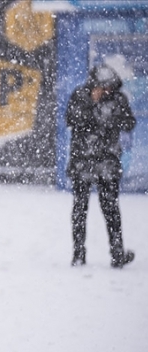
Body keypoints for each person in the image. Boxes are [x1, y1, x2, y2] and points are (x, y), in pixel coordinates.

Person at [66, 64, 136, 268]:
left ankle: (117, 254)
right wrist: (92, 106)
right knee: (80, 208)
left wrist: (111, 117)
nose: (106, 91)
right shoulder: (80, 96)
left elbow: (129, 123)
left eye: (109, 87)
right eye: (102, 87)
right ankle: (78, 253)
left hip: (107, 162)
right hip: (83, 161)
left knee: (111, 209)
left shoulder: (118, 99)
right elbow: (71, 119)